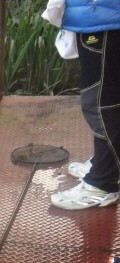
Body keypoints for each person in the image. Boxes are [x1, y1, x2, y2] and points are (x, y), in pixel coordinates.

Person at [50, 1, 120, 210]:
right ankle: (105, 163)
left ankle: (101, 183)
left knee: (100, 104)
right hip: (101, 17)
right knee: (109, 98)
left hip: (103, 17)